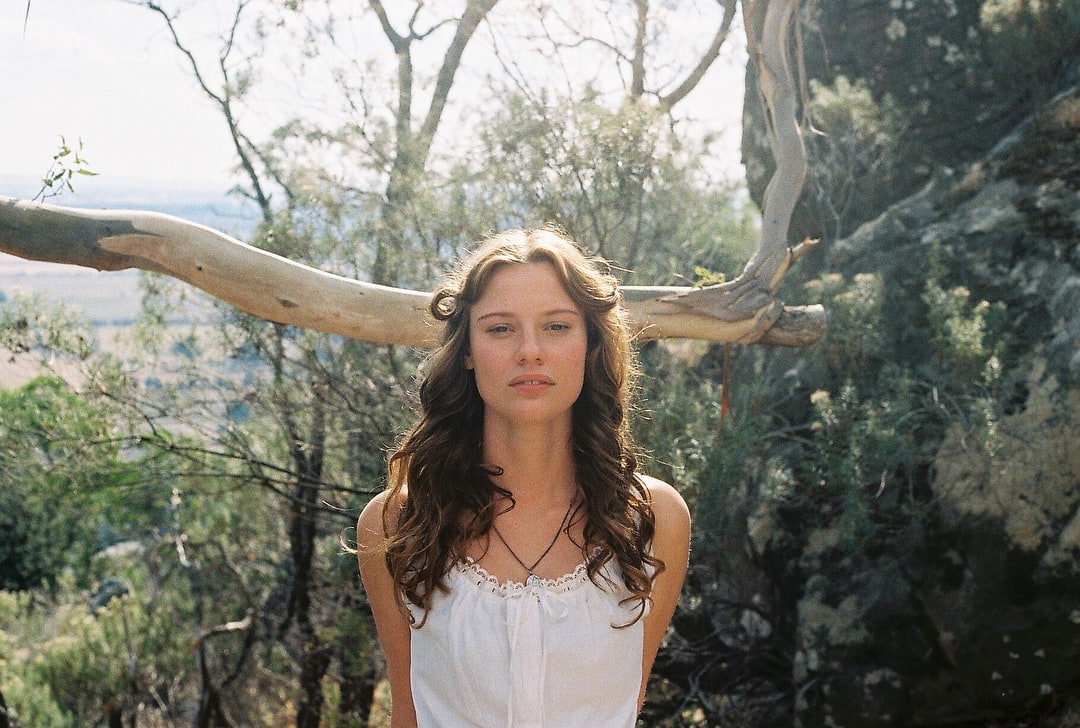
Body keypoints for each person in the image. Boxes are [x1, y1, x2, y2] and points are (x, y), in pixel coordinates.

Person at [356, 226, 691, 727]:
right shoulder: (398, 522)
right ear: (466, 351)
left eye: (556, 327)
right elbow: (408, 715)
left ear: (589, 344)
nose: (529, 351)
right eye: (500, 329)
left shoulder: (653, 519)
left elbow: (627, 706)